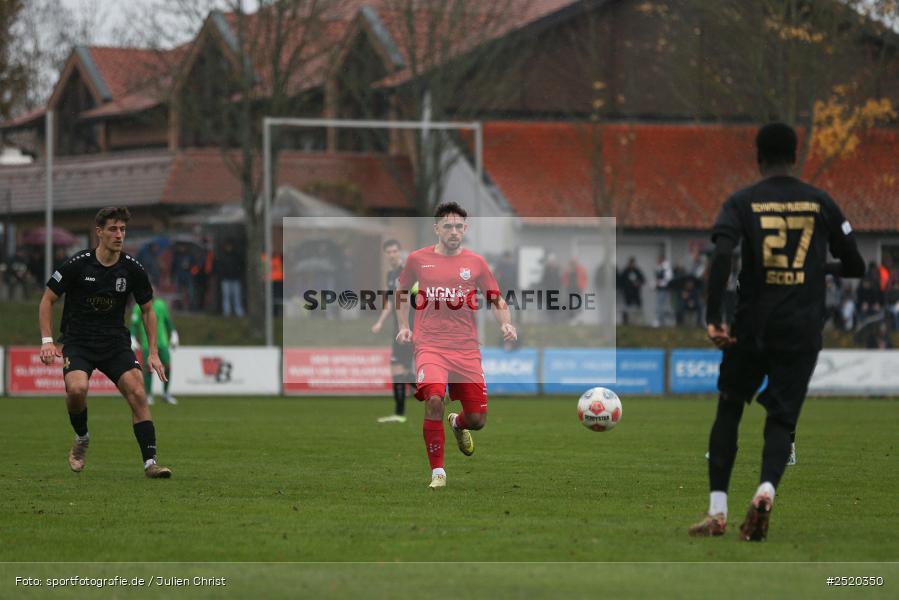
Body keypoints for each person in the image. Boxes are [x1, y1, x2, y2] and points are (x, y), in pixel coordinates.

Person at [688, 123, 864, 541]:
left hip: (752, 325)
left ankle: (717, 512)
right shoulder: (820, 202)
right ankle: (765, 490)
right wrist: (818, 267)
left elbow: (723, 255)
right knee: (782, 419)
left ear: (758, 156)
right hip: (802, 330)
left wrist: (715, 316)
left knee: (730, 406)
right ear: (795, 154)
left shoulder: (743, 202)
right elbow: (855, 264)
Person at [38, 206, 173, 479]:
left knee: (137, 392)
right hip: (78, 342)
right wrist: (47, 341)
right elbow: (47, 300)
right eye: (113, 229)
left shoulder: (132, 269)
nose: (119, 234)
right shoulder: (78, 264)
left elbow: (148, 309)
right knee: (77, 390)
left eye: (122, 229)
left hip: (114, 343)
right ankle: (82, 437)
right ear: (99, 232)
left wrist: (153, 353)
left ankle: (151, 464)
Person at [395, 202, 517, 490]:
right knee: (434, 399)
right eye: (447, 226)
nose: (453, 231)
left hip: (466, 350)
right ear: (436, 228)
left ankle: (458, 423)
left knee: (477, 420)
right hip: (430, 347)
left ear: (466, 229)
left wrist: (505, 324)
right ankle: (438, 471)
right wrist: (403, 326)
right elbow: (401, 292)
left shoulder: (476, 263)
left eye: (458, 226)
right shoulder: (417, 259)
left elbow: (496, 299)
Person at [371, 239, 414, 424]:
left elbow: (413, 299)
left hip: (407, 328)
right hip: (398, 329)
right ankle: (431, 393)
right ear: (386, 254)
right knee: (402, 371)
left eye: (395, 251)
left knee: (397, 369)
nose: (392, 254)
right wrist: (380, 322)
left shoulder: (407, 273)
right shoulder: (391, 275)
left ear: (400, 252)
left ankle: (400, 413)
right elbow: (390, 302)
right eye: (389, 252)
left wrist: (409, 325)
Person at [130, 297, 179, 405]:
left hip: (162, 342)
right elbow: (134, 324)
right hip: (147, 343)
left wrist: (174, 333)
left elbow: (167, 320)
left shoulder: (161, 304)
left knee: (168, 366)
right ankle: (148, 395)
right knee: (148, 368)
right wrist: (132, 337)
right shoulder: (138, 307)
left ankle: (166, 393)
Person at [217, 240, 245, 317]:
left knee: (237, 296)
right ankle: (227, 311)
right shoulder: (222, 256)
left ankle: (238, 311)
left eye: (230, 246)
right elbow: (220, 267)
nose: (229, 248)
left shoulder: (236, 256)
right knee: (226, 296)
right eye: (227, 246)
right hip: (225, 279)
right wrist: (222, 275)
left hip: (235, 278)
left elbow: (241, 266)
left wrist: (238, 274)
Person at [619, 257, 645, 324]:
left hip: (636, 292)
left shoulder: (637, 271)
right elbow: (620, 281)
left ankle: (638, 322)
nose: (632, 264)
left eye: (633, 263)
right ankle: (625, 321)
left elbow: (643, 280)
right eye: (631, 263)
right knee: (626, 307)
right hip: (627, 293)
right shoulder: (625, 271)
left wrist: (638, 283)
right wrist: (626, 286)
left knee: (638, 306)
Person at [653, 254, 673, 327]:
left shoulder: (666, 268)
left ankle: (661, 320)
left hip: (664, 289)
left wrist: (660, 283)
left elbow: (668, 279)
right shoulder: (659, 268)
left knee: (663, 306)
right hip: (660, 289)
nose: (656, 261)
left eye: (658, 260)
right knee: (660, 305)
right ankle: (661, 321)